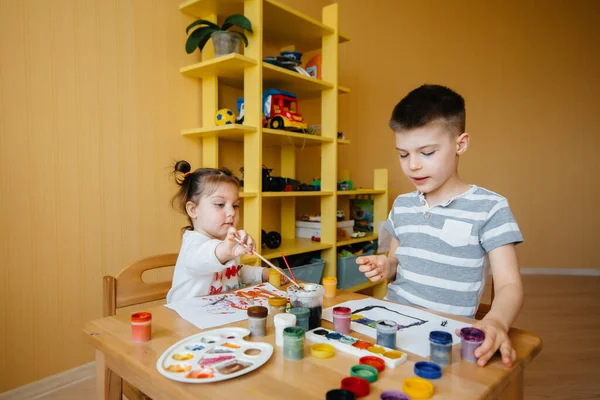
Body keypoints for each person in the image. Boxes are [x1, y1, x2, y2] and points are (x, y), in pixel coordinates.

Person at [357, 84, 524, 367]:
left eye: (427, 152)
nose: (413, 166)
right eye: (403, 154)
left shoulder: (490, 207)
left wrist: (496, 320)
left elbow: (509, 284)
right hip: (392, 326)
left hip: (447, 338)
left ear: (460, 144)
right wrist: (387, 266)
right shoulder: (403, 204)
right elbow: (397, 260)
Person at [167, 160, 286, 303]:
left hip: (219, 313)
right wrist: (227, 249)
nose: (231, 212)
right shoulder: (193, 245)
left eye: (235, 205)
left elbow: (234, 272)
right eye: (220, 204)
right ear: (193, 210)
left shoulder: (226, 242)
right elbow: (207, 256)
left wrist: (263, 273)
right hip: (185, 319)